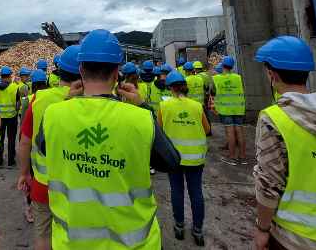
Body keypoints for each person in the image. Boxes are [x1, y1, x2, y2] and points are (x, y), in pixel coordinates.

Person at [39, 29, 181, 249]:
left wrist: (68, 101)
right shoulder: (141, 118)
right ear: (117, 73)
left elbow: (45, 147)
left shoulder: (53, 114)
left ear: (81, 69)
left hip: (72, 243)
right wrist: (142, 106)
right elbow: (171, 161)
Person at [253, 36, 316, 250]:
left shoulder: (274, 119)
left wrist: (262, 229)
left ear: (272, 74)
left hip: (295, 236)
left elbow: (268, 185)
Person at [17, 46, 82, 250]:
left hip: (43, 182)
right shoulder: (91, 99)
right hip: (78, 184)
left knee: (43, 234)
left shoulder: (39, 99)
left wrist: (24, 173)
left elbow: (25, 142)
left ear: (58, 70)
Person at [158, 70, 211, 247]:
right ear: (184, 87)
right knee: (196, 193)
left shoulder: (164, 106)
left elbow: (159, 130)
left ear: (170, 88)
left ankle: (179, 226)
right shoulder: (196, 105)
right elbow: (207, 129)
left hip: (173, 158)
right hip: (195, 158)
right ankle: (197, 229)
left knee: (177, 191)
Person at [18, 68, 49, 225]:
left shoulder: (28, 100)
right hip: (46, 148)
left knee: (30, 178)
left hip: (31, 147)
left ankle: (29, 208)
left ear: (32, 84)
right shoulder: (54, 99)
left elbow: (23, 126)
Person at [210, 56, 247, 165]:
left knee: (230, 132)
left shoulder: (217, 78)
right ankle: (243, 157)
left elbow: (212, 92)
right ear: (232, 66)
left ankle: (232, 157)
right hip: (238, 108)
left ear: (222, 65)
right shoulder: (238, 77)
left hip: (226, 109)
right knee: (239, 131)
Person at [0, 66, 19, 167]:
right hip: (12, 117)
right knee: (11, 139)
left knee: (0, 139)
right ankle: (11, 160)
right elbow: (18, 104)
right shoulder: (14, 87)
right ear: (9, 76)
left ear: (1, 76)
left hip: (0, 117)